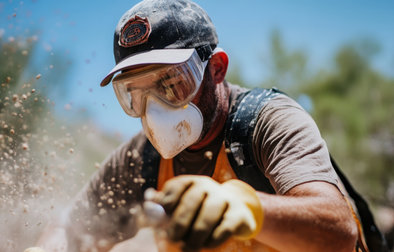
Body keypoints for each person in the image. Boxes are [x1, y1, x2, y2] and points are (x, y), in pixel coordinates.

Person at [28, 0, 362, 251]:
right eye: (137, 94)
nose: (155, 110)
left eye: (172, 83)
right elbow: (72, 225)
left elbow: (339, 230)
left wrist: (244, 205)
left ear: (216, 68)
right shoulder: (140, 159)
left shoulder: (269, 122)